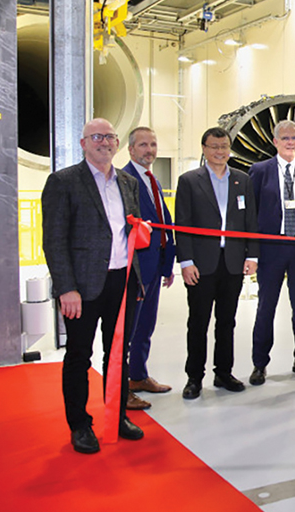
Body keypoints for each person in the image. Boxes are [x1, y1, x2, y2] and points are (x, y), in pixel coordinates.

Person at [42, 118, 145, 454]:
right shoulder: (64, 182)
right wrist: (65, 288)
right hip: (83, 286)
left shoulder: (127, 183)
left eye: (110, 137)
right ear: (83, 142)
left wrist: (137, 280)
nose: (105, 142)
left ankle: (116, 418)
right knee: (78, 356)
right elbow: (54, 240)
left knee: (118, 355)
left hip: (122, 281)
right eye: (97, 137)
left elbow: (131, 235)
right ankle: (80, 425)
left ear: (117, 144)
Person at [175, 127, 259, 400]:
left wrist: (252, 255)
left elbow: (251, 222)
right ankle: (194, 378)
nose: (220, 152)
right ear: (204, 148)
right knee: (198, 322)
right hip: (201, 264)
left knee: (227, 321)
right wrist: (186, 261)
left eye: (224, 147)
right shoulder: (189, 180)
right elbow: (183, 224)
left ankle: (223, 372)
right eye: (214, 147)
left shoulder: (242, 180)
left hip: (232, 263)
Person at [247, 120, 295, 386]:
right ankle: (259, 364)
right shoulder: (260, 170)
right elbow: (252, 215)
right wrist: (252, 254)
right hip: (272, 248)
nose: (291, 142)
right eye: (285, 138)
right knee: (266, 308)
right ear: (275, 142)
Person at [122, 127, 176, 411]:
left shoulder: (151, 180)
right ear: (130, 149)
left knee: (146, 325)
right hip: (137, 269)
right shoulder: (123, 179)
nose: (149, 150)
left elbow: (163, 224)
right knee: (128, 330)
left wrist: (168, 264)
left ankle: (138, 376)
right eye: (143, 145)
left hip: (155, 266)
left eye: (153, 144)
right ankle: (122, 389)